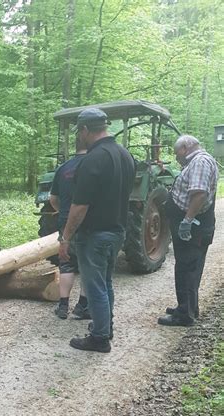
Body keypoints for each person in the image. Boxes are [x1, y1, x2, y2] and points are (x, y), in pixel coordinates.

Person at [59, 107, 135, 352]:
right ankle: (106, 326)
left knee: (95, 286)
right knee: (106, 282)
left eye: (78, 132)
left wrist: (66, 237)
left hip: (95, 234)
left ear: (84, 130)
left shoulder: (93, 159)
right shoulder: (125, 155)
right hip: (117, 231)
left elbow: (80, 205)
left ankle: (100, 338)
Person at [157, 135, 218, 326]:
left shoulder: (199, 162)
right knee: (189, 267)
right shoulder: (199, 161)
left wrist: (187, 220)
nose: (176, 157)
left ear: (185, 147)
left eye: (177, 153)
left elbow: (199, 194)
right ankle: (188, 306)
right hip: (195, 225)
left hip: (194, 227)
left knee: (187, 268)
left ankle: (184, 315)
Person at [49, 137, 90, 320]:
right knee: (87, 265)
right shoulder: (94, 165)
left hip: (66, 223)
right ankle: (82, 306)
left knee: (66, 264)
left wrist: (65, 213)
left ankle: (63, 305)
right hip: (89, 223)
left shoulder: (63, 168)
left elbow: (53, 199)